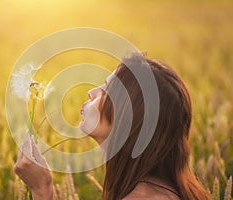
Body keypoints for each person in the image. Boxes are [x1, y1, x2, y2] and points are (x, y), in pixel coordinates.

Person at [14, 53, 211, 200]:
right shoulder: (163, 189)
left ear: (128, 116)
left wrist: (42, 189)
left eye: (106, 90)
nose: (91, 92)